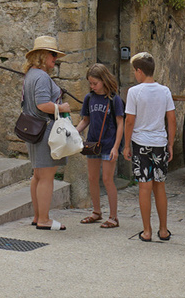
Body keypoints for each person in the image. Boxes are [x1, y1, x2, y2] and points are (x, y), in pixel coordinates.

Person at [120, 51, 176, 242]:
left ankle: (147, 231)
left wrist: (126, 145)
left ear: (139, 71)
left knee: (144, 187)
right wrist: (171, 143)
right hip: (159, 143)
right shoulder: (165, 91)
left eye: (134, 71)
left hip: (141, 143)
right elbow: (172, 119)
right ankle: (163, 230)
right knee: (160, 186)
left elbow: (130, 121)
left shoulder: (134, 92)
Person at [21, 35, 72, 231]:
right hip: (45, 131)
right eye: (53, 55)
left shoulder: (31, 74)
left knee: (38, 175)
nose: (55, 59)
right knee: (47, 176)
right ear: (42, 55)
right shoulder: (41, 77)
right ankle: (44, 219)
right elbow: (43, 104)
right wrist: (63, 106)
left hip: (34, 130)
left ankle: (38, 216)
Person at [75, 63, 124, 228]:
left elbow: (120, 124)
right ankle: (96, 212)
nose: (92, 86)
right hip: (92, 144)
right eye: (90, 83)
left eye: (95, 83)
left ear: (104, 80)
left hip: (109, 144)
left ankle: (113, 216)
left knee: (107, 179)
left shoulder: (114, 100)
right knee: (92, 178)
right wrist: (74, 132)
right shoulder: (89, 98)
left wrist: (117, 147)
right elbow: (85, 120)